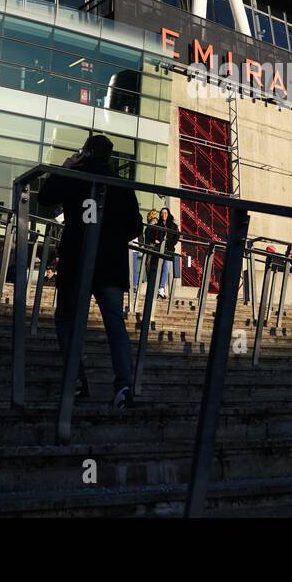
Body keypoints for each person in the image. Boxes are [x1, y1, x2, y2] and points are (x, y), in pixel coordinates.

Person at [39, 135, 143, 408]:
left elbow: (45, 197)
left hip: (77, 258)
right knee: (114, 324)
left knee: (66, 318)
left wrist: (66, 166)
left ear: (85, 152)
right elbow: (135, 226)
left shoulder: (75, 174)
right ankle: (123, 386)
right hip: (110, 263)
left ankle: (76, 379)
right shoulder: (121, 184)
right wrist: (112, 233)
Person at [154, 207, 179, 298]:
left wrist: (170, 244)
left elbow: (176, 237)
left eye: (165, 213)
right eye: (162, 213)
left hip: (168, 250)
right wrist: (154, 240)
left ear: (168, 214)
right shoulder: (158, 225)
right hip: (158, 250)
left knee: (166, 268)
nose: (164, 215)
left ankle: (161, 288)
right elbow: (150, 234)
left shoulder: (173, 226)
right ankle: (157, 287)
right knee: (158, 268)